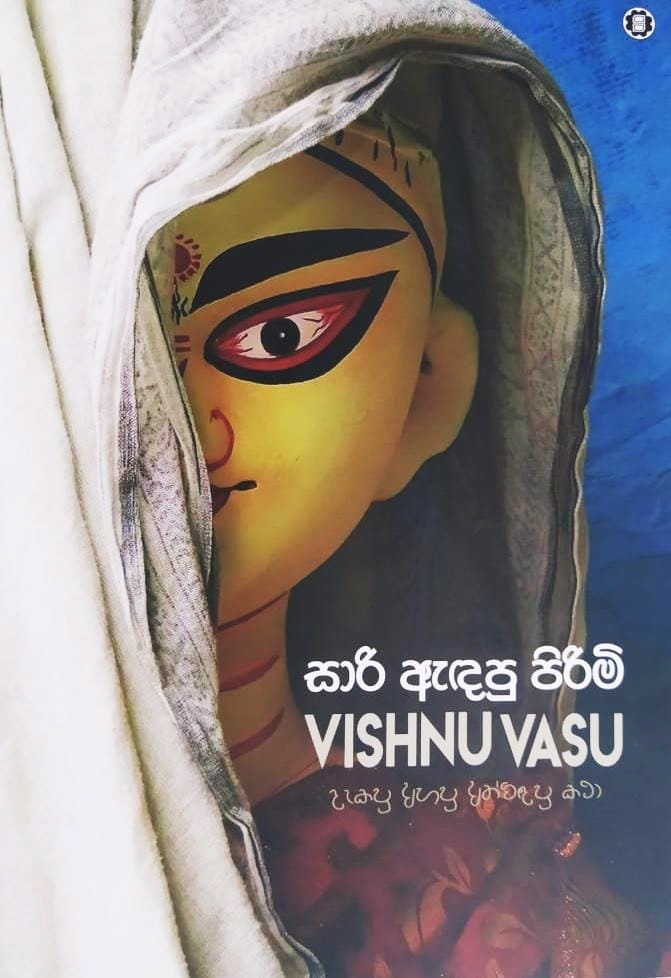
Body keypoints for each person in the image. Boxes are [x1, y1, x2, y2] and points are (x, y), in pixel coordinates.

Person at [146, 92, 658, 978]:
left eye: (280, 334)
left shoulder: (473, 849)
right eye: (135, 356)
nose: (185, 430)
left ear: (427, 393)